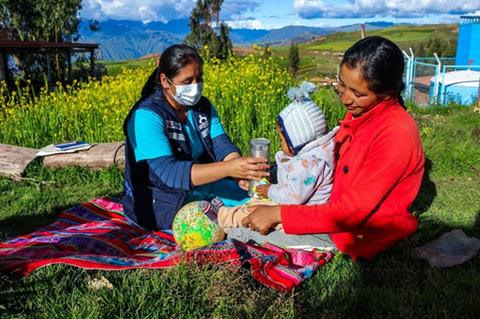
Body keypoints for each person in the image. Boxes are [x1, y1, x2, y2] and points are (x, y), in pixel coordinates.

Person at [230, 36, 425, 260]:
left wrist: (278, 214)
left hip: (350, 233)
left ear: (387, 93)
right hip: (325, 209)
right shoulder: (363, 112)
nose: (345, 98)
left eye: (358, 93)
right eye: (341, 85)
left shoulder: (396, 136)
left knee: (238, 235)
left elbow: (349, 214)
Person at [122, 44, 269, 230]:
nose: (195, 87)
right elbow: (170, 174)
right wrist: (229, 169)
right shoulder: (146, 116)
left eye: (199, 79)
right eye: (187, 81)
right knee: (218, 223)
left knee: (262, 199)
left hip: (202, 187)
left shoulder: (202, 107)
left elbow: (221, 145)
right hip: (160, 202)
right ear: (165, 81)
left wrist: (240, 171)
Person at [217, 82, 339, 234]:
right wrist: (272, 173)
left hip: (297, 216)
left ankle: (221, 217)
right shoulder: (311, 154)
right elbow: (291, 176)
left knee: (251, 210)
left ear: (297, 140)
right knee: (257, 203)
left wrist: (270, 190)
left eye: (282, 140)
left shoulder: (309, 164)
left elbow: (293, 197)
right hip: (293, 207)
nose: (280, 144)